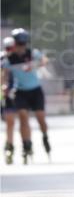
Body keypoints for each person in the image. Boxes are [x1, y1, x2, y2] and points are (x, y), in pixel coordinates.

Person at [6, 29, 50, 162]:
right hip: (20, 91)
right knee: (23, 117)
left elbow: (45, 60)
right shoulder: (10, 58)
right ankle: (26, 143)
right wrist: (4, 86)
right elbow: (4, 73)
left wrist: (35, 65)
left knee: (40, 117)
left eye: (24, 44)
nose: (22, 47)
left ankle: (45, 135)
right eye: (19, 44)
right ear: (15, 43)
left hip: (35, 90)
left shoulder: (32, 53)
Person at [2, 36, 16, 164]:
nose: (9, 50)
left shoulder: (18, 60)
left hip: (9, 95)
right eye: (8, 48)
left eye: (11, 48)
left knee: (10, 122)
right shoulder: (2, 59)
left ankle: (9, 146)